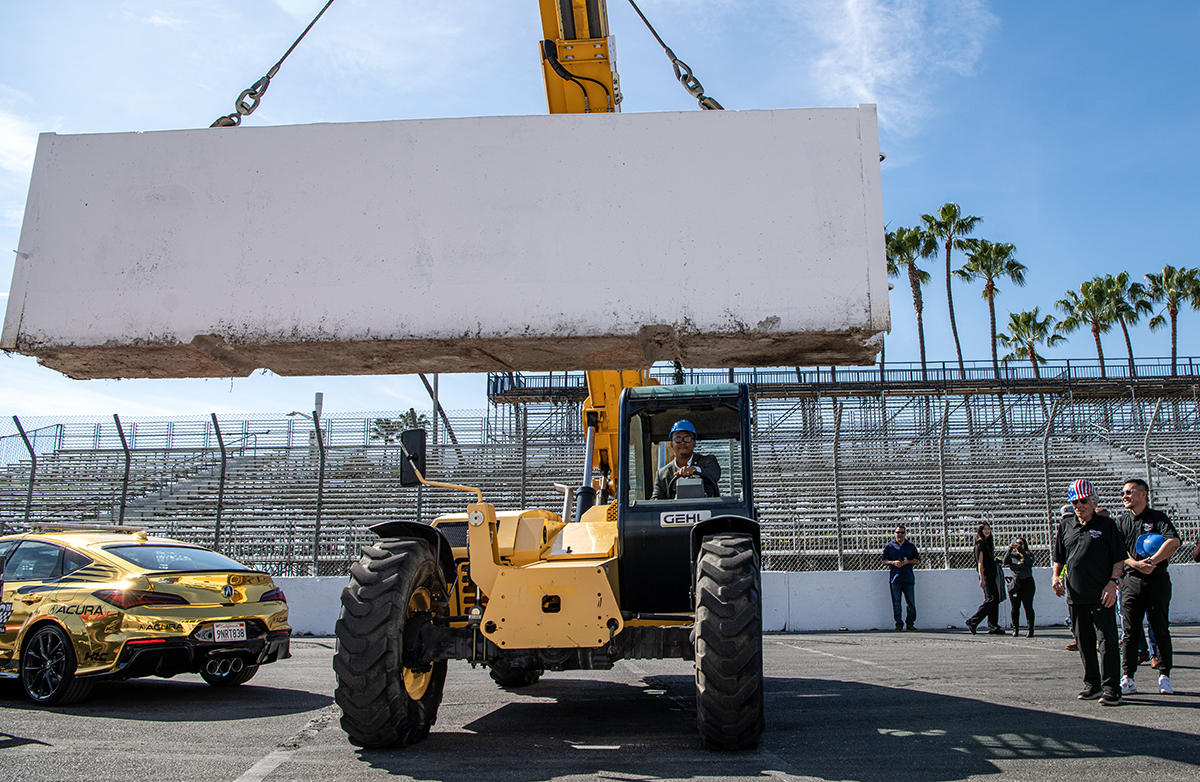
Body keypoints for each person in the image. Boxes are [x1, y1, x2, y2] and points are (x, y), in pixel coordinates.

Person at [1053, 479, 1127, 706]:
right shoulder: (1066, 526)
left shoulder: (1107, 525)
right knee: (1084, 641)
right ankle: (1092, 684)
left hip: (1102, 594)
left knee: (1107, 641)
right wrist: (1055, 576)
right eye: (1075, 502)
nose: (1079, 506)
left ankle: (1112, 687)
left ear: (1094, 502)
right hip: (1075, 594)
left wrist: (1113, 583)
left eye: (1083, 501)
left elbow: (1118, 558)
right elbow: (1059, 557)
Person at [1116, 478, 1182, 696]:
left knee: (1160, 628)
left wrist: (1152, 561)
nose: (1124, 496)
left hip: (1157, 579)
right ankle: (1128, 677)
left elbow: (1173, 542)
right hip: (1132, 580)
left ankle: (1165, 675)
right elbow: (1117, 550)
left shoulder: (1158, 518)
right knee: (1129, 632)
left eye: (1129, 492)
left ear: (1143, 494)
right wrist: (1134, 564)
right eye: (1123, 493)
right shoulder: (1122, 521)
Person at [651, 420, 721, 499]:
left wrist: (695, 470)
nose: (682, 443)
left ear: (694, 443)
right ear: (671, 445)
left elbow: (715, 474)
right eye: (678, 439)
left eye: (687, 439)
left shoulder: (708, 461)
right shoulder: (663, 474)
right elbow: (655, 498)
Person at [966, 523, 1004, 635]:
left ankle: (993, 625)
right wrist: (982, 578)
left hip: (992, 573)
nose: (987, 531)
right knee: (991, 599)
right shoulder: (980, 544)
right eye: (985, 529)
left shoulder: (988, 543)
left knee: (995, 599)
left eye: (989, 529)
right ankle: (973, 621)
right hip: (986, 574)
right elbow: (980, 562)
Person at [882, 525, 920, 631]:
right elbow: (884, 561)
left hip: (908, 578)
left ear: (905, 534)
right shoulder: (889, 546)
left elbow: (917, 560)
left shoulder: (910, 546)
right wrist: (894, 563)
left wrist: (908, 562)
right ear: (895, 533)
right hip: (895, 579)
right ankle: (898, 624)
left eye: (902, 533)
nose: (900, 535)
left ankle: (910, 623)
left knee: (911, 603)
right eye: (898, 532)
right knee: (897, 603)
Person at [1003, 536, 1036, 637]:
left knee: (1028, 606)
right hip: (1015, 583)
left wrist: (1021, 550)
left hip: (1027, 582)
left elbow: (1029, 562)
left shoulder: (1028, 555)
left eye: (1021, 543)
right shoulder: (1012, 555)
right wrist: (1010, 548)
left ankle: (1030, 629)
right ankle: (1015, 628)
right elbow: (1005, 561)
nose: (1018, 545)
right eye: (1017, 543)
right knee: (1015, 607)